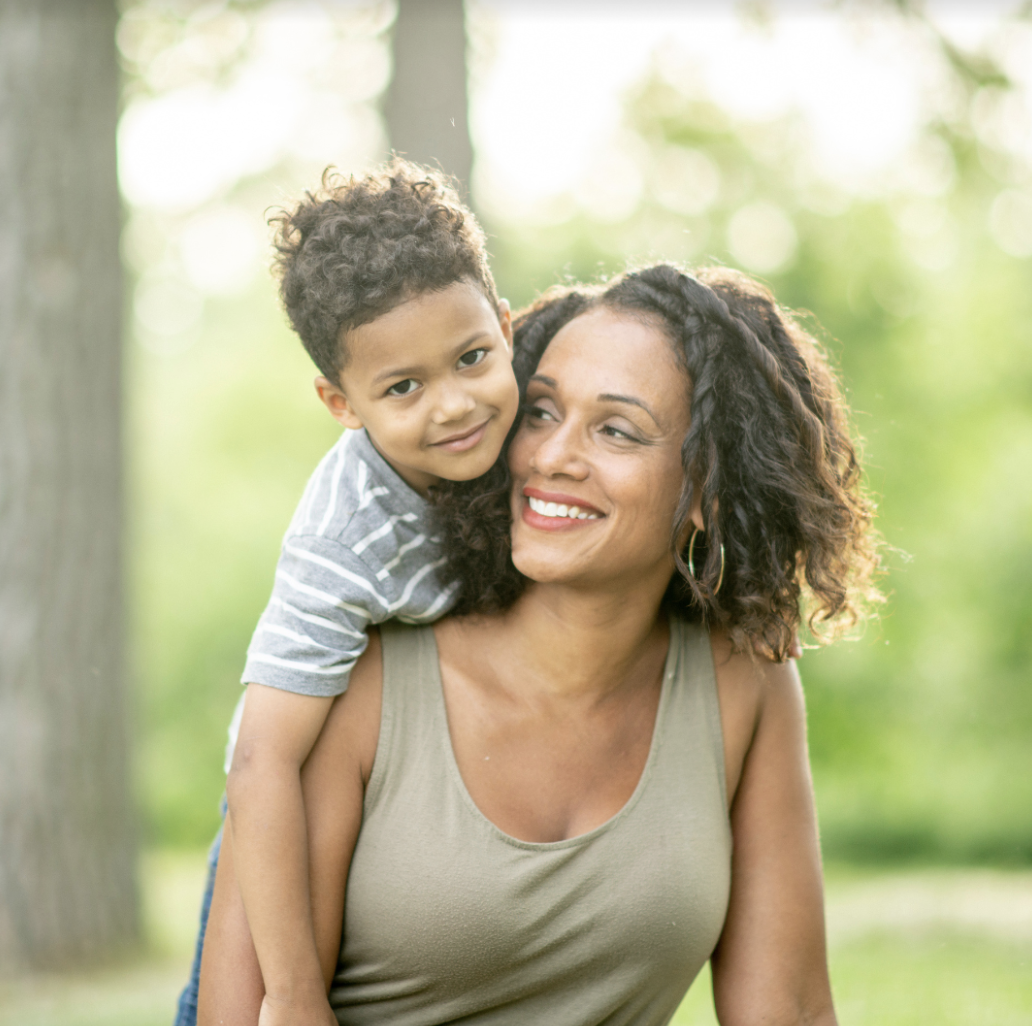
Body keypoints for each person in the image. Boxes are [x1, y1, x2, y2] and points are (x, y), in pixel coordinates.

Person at [197, 264, 880, 1026]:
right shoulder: (363, 677)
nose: (551, 457)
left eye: (616, 430)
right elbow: (246, 1009)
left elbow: (788, 1011)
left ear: (707, 490)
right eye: (542, 411)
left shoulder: (742, 680)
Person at [174, 159, 521, 1026]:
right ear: (341, 402)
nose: (454, 405)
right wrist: (292, 994)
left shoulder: (535, 421)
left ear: (507, 328)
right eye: (403, 388)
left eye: (472, 358)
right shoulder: (343, 539)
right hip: (281, 804)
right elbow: (262, 761)